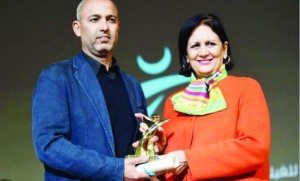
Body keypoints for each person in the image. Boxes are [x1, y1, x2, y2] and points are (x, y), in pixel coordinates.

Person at [32, 0, 151, 180]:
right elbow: (49, 145)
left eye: (111, 20)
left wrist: (152, 143)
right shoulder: (56, 77)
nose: (104, 27)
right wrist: (116, 169)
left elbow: (137, 148)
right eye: (94, 19)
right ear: (77, 28)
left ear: (118, 26)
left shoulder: (132, 85)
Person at [143, 13, 271, 180]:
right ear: (186, 57)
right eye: (195, 46)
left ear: (224, 50)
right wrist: (159, 150)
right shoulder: (173, 102)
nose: (203, 52)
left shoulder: (246, 87)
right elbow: (173, 171)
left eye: (210, 44)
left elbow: (254, 148)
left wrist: (188, 159)